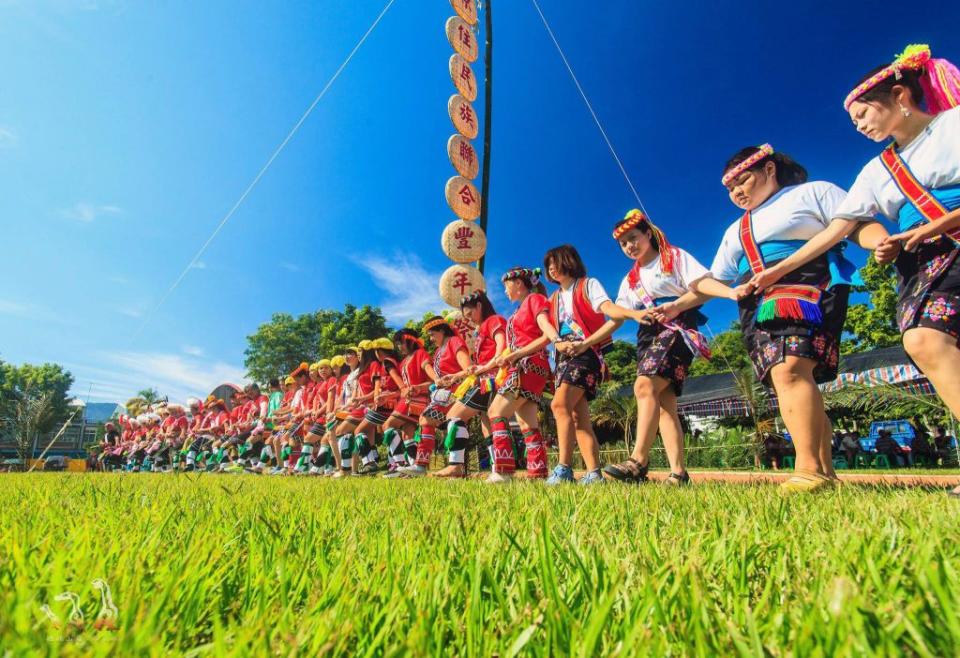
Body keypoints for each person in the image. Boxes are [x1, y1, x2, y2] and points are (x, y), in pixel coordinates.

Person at [696, 144, 886, 493]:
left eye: (743, 180)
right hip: (758, 302)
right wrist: (726, 294)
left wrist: (881, 242)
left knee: (790, 369)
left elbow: (857, 224)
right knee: (787, 378)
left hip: (808, 284)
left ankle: (808, 468)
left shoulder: (814, 192)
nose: (737, 192)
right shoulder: (736, 229)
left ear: (769, 169)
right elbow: (711, 280)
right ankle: (826, 473)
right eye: (730, 188)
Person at [830, 44, 960, 496]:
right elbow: (852, 223)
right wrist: (879, 242)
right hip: (922, 261)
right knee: (924, 339)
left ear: (900, 96)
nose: (860, 125)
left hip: (952, 240)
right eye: (855, 123)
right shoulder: (876, 169)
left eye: (863, 113)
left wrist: (940, 223)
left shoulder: (954, 125)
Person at [601, 211, 732, 486]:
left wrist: (730, 293)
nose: (629, 246)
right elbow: (614, 308)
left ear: (648, 234)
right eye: (623, 243)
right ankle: (678, 473)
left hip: (678, 326)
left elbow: (703, 285)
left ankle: (637, 460)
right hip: (647, 333)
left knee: (644, 385)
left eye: (633, 238)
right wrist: (635, 315)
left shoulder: (673, 257)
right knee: (664, 404)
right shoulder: (631, 279)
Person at [541, 245, 622, 486]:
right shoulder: (552, 298)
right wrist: (557, 343)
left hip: (586, 353)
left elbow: (608, 311)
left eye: (555, 262)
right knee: (579, 418)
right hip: (563, 357)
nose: (552, 268)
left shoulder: (588, 285)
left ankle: (564, 468)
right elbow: (542, 321)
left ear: (569, 260)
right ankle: (594, 474)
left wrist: (586, 343)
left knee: (559, 403)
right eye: (548, 266)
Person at [486, 267, 559, 483]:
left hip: (527, 366)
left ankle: (503, 469)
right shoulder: (520, 309)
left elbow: (547, 335)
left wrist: (517, 354)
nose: (505, 291)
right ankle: (537, 473)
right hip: (531, 366)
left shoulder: (535, 300)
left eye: (506, 285)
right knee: (527, 423)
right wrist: (506, 357)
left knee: (495, 411)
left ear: (519, 283)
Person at [437, 291, 507, 478]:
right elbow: (479, 363)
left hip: (490, 378)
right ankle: (497, 469)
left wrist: (490, 365)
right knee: (487, 423)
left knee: (454, 415)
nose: (470, 319)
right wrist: (456, 376)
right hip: (485, 375)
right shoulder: (482, 327)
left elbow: (502, 346)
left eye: (470, 314)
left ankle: (456, 465)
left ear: (479, 306)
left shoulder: (494, 320)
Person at [398, 317, 471, 477]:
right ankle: (429, 465)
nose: (430, 339)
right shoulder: (438, 351)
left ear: (442, 331)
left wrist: (452, 378)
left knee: (430, 419)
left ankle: (426, 466)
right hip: (443, 393)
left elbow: (468, 369)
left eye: (432, 335)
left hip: (457, 391)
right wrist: (419, 387)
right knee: (430, 420)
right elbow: (436, 381)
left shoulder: (454, 342)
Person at [382, 329, 439, 477]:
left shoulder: (421, 354)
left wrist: (425, 385)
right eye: (397, 344)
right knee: (407, 435)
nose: (399, 347)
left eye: (401, 343)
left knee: (387, 425)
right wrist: (388, 396)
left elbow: (432, 377)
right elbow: (403, 389)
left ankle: (400, 465)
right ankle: (413, 469)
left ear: (410, 340)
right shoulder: (403, 362)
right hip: (407, 399)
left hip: (418, 399)